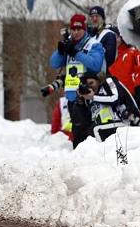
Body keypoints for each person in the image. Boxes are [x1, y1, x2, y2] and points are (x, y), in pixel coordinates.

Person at [45, 13, 105, 145]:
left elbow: (96, 65)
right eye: (73, 29)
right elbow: (54, 63)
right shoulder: (69, 43)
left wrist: (76, 53)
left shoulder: (93, 44)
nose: (76, 32)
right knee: (77, 135)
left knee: (90, 135)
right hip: (73, 97)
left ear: (84, 29)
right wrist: (61, 51)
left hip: (89, 96)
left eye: (79, 29)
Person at [73, 70, 140, 145]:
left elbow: (115, 98)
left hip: (127, 119)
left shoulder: (108, 81)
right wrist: (80, 102)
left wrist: (93, 97)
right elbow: (85, 120)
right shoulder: (91, 96)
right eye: (88, 85)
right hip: (106, 127)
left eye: (91, 83)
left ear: (98, 80)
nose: (91, 87)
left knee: (94, 129)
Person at [110, 32, 140, 97]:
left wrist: (137, 88)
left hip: (134, 94)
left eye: (117, 37)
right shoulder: (112, 56)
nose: (115, 40)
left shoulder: (133, 51)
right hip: (120, 96)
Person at [87, 5, 117, 72]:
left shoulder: (108, 35)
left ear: (103, 19)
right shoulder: (90, 36)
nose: (94, 19)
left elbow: (109, 60)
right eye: (92, 17)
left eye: (97, 16)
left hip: (101, 76)